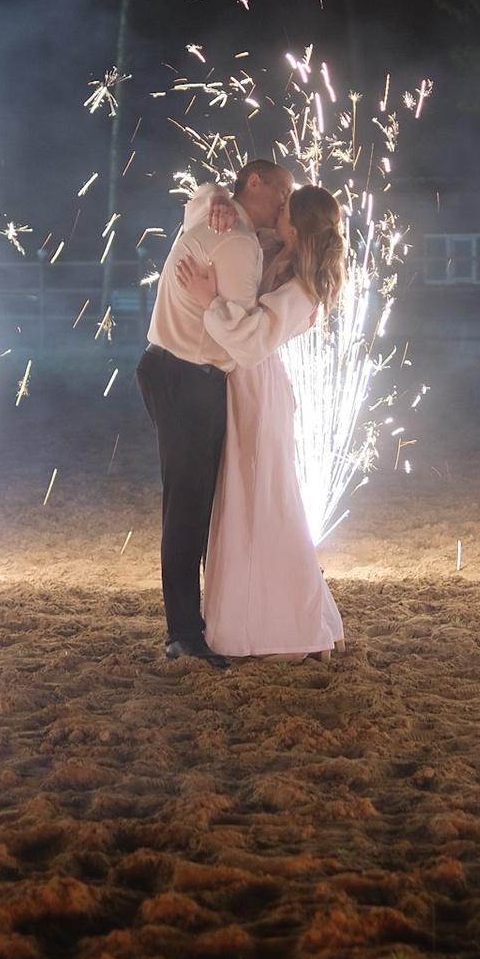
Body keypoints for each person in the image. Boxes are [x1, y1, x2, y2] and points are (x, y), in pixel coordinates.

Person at [177, 184, 347, 660]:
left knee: (260, 502)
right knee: (251, 499)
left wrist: (209, 301)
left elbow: (252, 341)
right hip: (246, 386)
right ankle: (278, 621)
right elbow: (223, 223)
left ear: (297, 227)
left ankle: (278, 628)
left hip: (257, 390)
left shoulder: (302, 290)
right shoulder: (277, 248)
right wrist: (218, 200)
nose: (277, 211)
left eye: (285, 210)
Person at [136, 159, 294, 665]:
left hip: (170, 368)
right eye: (282, 191)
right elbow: (240, 339)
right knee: (189, 509)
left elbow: (200, 200)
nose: (286, 202)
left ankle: (196, 626)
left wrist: (216, 194)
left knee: (195, 505)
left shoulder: (215, 220)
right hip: (188, 376)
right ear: (255, 183)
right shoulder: (240, 243)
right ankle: (184, 633)